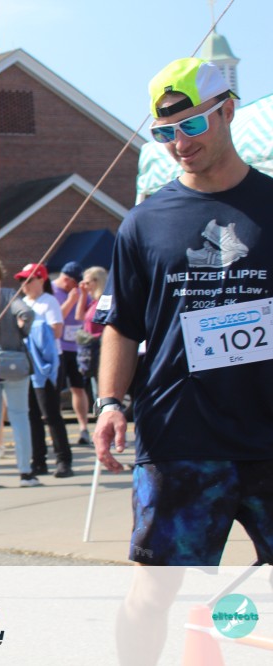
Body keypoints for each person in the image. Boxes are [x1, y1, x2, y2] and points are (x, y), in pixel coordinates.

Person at [93, 58, 273, 665]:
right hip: (181, 437)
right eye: (164, 132)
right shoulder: (144, 223)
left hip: (268, 430)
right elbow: (122, 324)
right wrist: (109, 403)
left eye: (191, 125)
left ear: (228, 110)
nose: (179, 143)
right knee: (152, 594)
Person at [0, 261, 40, 489]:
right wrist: (21, 331)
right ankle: (25, 472)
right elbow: (27, 312)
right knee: (20, 417)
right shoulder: (7, 294)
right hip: (14, 361)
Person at [15, 262, 72, 477]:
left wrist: (31, 327)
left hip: (48, 363)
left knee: (50, 413)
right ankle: (38, 460)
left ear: (41, 280)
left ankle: (63, 460)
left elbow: (57, 331)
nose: (25, 284)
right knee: (31, 413)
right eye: (22, 280)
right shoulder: (21, 303)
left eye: (29, 280)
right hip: (27, 362)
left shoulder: (49, 301)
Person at [52, 261, 92, 445]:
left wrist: (83, 296)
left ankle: (84, 428)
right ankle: (58, 431)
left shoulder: (79, 292)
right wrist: (71, 301)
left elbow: (86, 314)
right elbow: (55, 318)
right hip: (58, 348)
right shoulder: (51, 291)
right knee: (56, 391)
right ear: (66, 279)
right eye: (75, 282)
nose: (76, 286)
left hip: (77, 348)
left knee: (78, 388)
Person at [74, 265, 107, 403]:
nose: (84, 286)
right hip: (91, 350)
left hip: (101, 349)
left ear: (97, 281)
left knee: (101, 390)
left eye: (87, 283)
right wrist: (82, 294)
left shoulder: (104, 301)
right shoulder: (93, 302)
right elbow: (79, 316)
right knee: (96, 390)